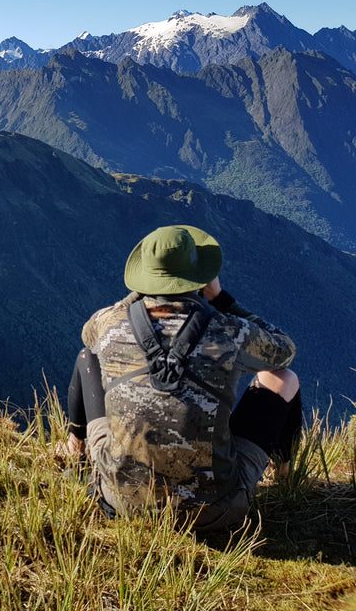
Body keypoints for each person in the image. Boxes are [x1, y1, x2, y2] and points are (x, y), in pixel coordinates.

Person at [64, 224, 302, 531]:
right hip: (215, 511)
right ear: (200, 278)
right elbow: (285, 349)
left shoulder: (110, 322)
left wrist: (138, 292)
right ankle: (285, 476)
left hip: (121, 501)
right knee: (284, 377)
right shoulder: (231, 331)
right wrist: (221, 298)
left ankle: (74, 449)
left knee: (88, 358)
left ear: (144, 277)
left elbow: (88, 336)